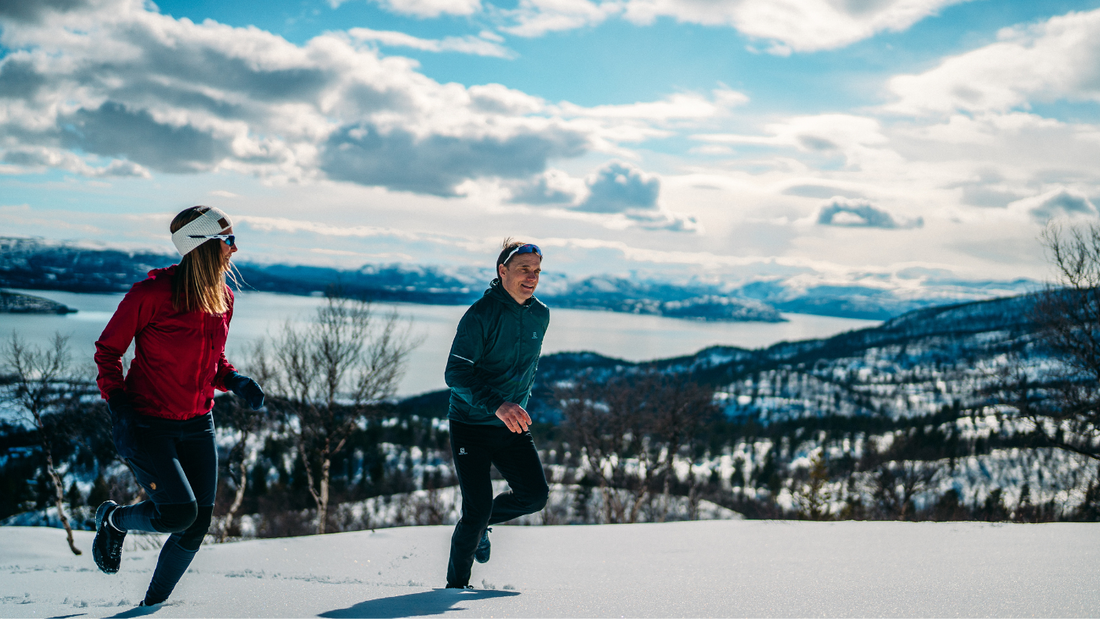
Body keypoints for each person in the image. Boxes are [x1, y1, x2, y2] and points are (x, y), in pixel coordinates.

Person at [91, 206, 265, 607]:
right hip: (148, 423)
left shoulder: (224, 297)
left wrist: (235, 380)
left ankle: (150, 607)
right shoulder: (150, 295)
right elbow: (108, 352)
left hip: (198, 422)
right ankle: (114, 520)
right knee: (177, 514)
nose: (234, 249)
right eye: (228, 240)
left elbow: (212, 361)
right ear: (203, 245)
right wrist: (118, 405)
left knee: (197, 523)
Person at [443, 239, 551, 589]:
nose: (532, 277)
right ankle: (453, 589)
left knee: (534, 496)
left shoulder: (540, 314)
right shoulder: (480, 315)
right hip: (471, 425)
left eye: (536, 271)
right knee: (474, 512)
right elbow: (455, 374)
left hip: (511, 426)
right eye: (524, 269)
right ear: (502, 271)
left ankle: (482, 524)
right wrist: (497, 404)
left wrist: (514, 406)